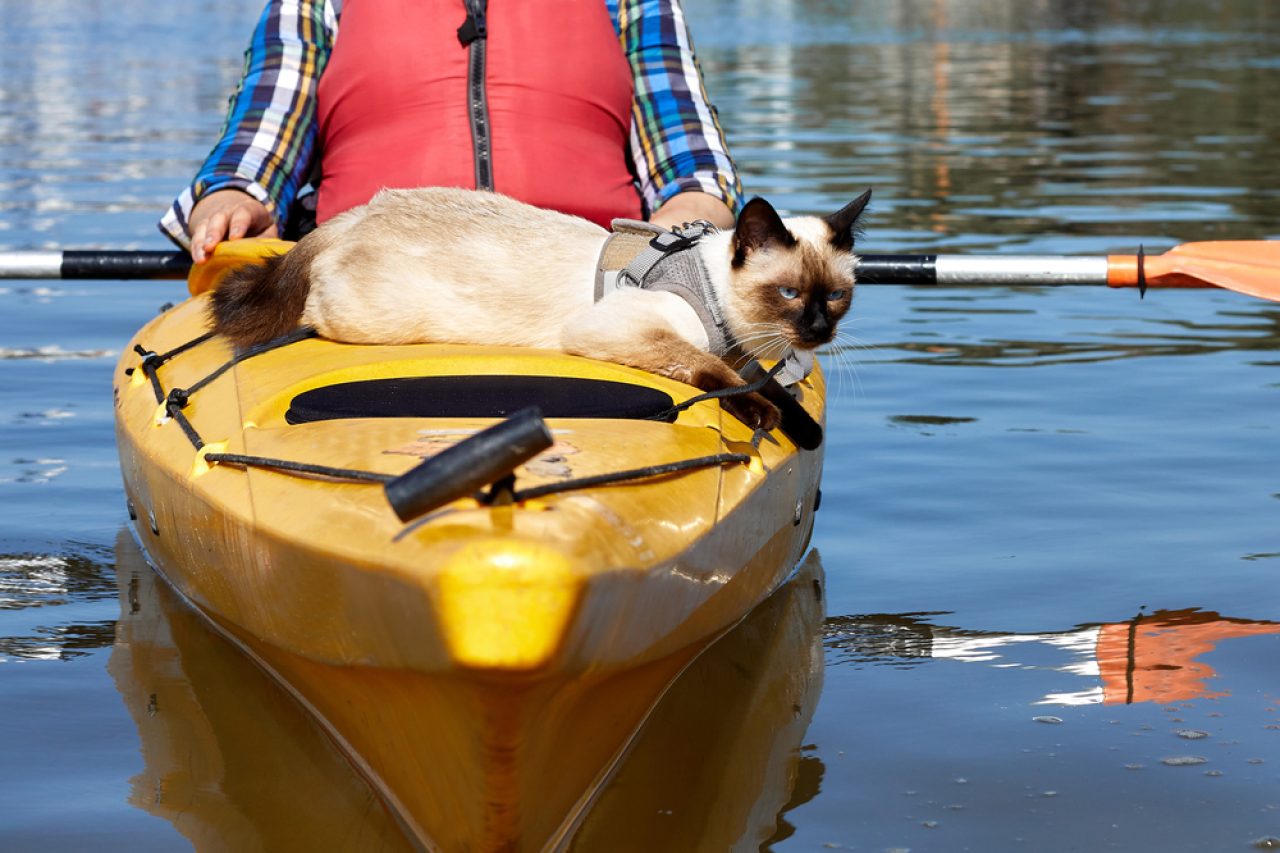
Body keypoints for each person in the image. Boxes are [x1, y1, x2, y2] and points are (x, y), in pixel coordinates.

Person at [161, 0, 743, 263]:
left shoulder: (634, 3)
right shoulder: (316, 4)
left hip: (584, 282)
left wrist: (682, 223)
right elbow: (256, 151)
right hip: (375, 279)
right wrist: (233, 200)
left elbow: (694, 174)